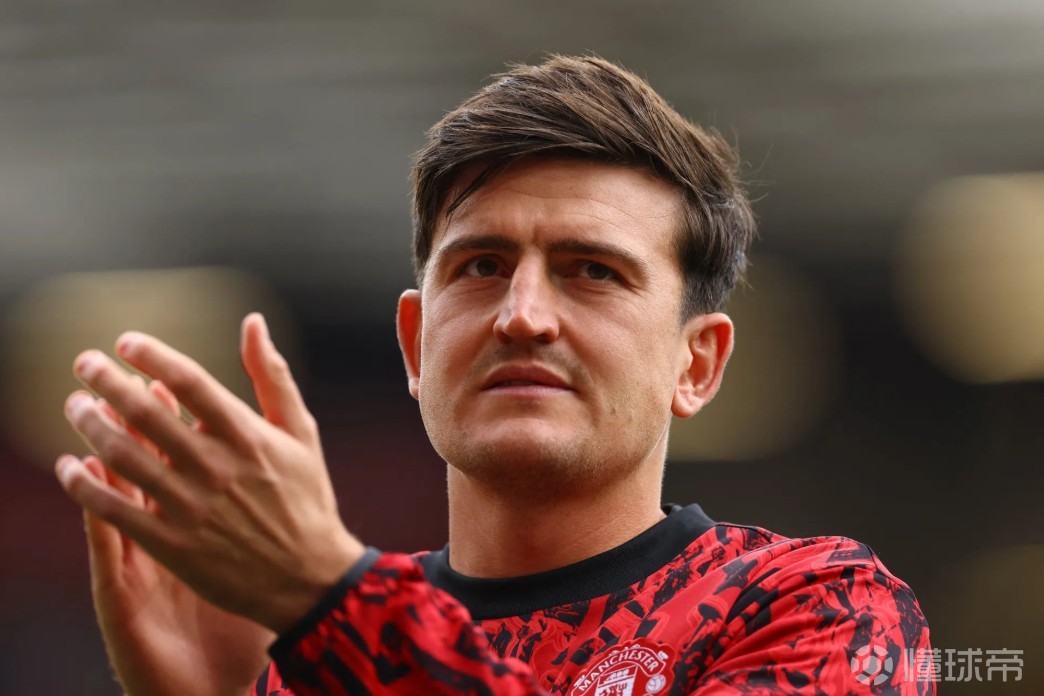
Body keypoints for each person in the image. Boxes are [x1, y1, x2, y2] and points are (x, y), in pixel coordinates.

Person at [56, 55, 933, 695]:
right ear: (415, 345)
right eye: (481, 266)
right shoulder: (308, 656)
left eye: (593, 271)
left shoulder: (820, 610)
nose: (522, 314)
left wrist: (330, 603)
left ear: (695, 363)